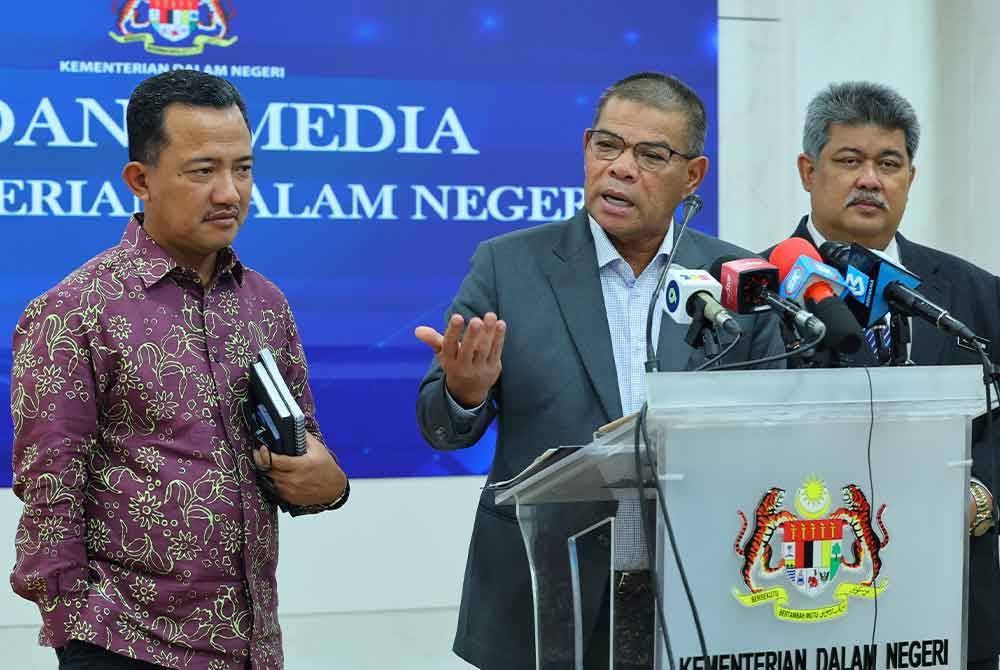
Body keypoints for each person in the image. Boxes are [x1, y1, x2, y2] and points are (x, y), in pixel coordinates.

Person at [415, 72, 784, 669]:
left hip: (696, 589)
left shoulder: (736, 278)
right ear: (587, 148)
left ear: (693, 176)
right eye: (607, 146)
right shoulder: (509, 266)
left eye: (651, 154)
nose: (620, 168)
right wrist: (464, 390)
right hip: (544, 591)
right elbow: (440, 426)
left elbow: (769, 428)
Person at [9, 70, 349, 670]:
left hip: (251, 647)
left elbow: (303, 456)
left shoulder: (265, 303)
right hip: (124, 645)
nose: (230, 193)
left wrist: (331, 487)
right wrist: (77, 638)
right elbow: (49, 492)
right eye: (203, 171)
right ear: (140, 180)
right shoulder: (75, 310)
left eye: (242, 168)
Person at [769, 80, 1000, 670]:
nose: (870, 179)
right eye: (849, 160)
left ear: (909, 179)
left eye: (888, 163)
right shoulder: (754, 292)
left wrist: (984, 496)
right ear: (807, 170)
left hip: (949, 604)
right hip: (800, 600)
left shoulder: (975, 296)